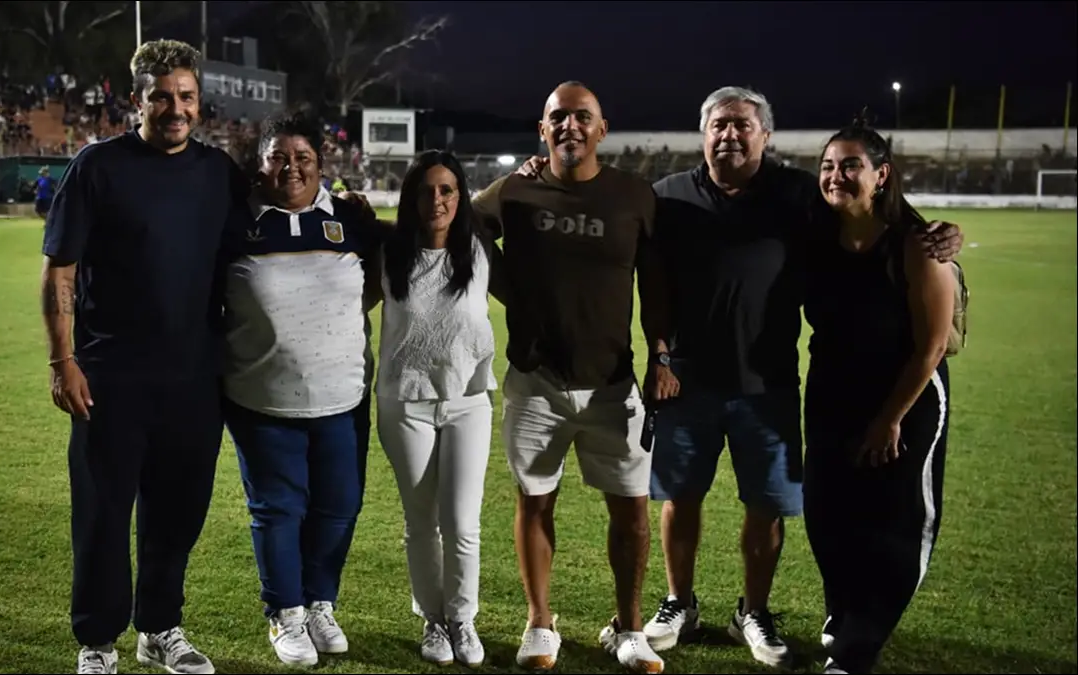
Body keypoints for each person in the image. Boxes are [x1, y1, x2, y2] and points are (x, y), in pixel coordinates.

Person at [515, 85, 961, 669]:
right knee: (680, 498)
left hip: (768, 382)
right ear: (704, 135)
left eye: (741, 125)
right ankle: (679, 602)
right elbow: (652, 280)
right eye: (718, 125)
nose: (729, 135)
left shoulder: (799, 194)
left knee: (766, 505)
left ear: (764, 136)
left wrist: (941, 236)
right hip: (685, 380)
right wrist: (661, 356)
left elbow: (869, 212)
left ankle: (754, 610)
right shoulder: (667, 196)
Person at [42, 38, 243, 675]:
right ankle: (98, 642)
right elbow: (60, 270)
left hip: (194, 379)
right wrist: (62, 361)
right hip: (111, 377)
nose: (176, 108)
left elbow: (272, 226)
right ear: (136, 100)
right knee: (103, 514)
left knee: (177, 514)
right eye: (161, 97)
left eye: (186, 96)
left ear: (199, 101)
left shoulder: (218, 171)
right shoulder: (98, 166)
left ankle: (159, 628)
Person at [473, 81, 675, 674]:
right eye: (558, 117)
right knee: (535, 501)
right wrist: (507, 287)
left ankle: (629, 628)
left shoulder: (632, 195)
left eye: (582, 117)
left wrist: (663, 357)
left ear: (601, 129)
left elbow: (657, 285)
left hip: (613, 383)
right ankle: (540, 621)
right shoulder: (515, 189)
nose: (570, 126)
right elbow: (463, 221)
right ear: (543, 130)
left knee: (632, 513)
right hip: (535, 380)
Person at [219, 112, 381, 668]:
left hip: (343, 396)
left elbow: (382, 276)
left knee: (339, 506)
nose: (292, 168)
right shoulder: (232, 224)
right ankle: (284, 612)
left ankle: (319, 603)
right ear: (260, 164)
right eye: (278, 157)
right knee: (278, 509)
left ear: (321, 164)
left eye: (303, 157)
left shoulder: (350, 219)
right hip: (262, 398)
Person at [803, 118, 955, 675]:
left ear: (881, 174)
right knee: (826, 512)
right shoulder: (817, 231)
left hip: (904, 397)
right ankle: (844, 611)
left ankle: (856, 651)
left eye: (851, 165)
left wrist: (890, 419)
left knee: (895, 522)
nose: (836, 175)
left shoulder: (915, 244)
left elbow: (932, 345)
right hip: (831, 392)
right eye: (827, 166)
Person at [371, 150, 498, 668]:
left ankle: (462, 618)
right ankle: (433, 619)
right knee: (421, 522)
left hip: (468, 401)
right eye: (426, 191)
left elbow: (506, 197)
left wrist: (527, 170)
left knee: (463, 522)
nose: (437, 200)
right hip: (404, 402)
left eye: (447, 190)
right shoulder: (388, 252)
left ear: (461, 195)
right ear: (411, 198)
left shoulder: (479, 248)